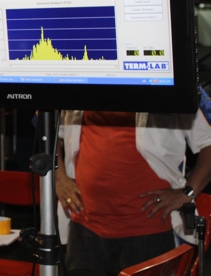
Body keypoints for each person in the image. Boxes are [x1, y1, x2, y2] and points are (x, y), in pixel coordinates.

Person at [56, 103, 211, 276]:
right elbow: (48, 130)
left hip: (148, 230)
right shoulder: (81, 87)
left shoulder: (173, 90)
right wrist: (59, 177)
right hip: (84, 228)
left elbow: (209, 142)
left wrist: (186, 193)